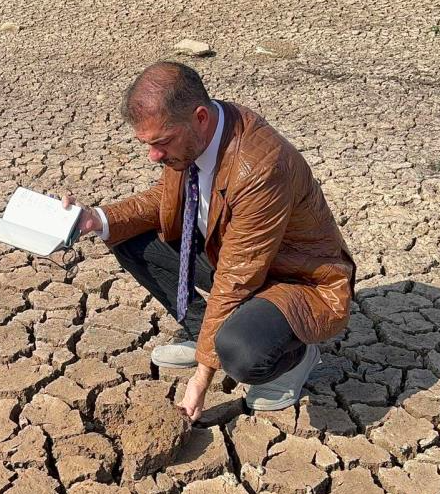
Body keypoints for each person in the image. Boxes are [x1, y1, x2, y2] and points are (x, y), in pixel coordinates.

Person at [63, 61, 355, 422]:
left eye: (161, 143)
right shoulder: (194, 138)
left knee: (241, 354)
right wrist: (98, 217)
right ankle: (204, 335)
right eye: (147, 144)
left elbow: (237, 277)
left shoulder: (260, 166)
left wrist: (201, 379)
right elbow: (165, 200)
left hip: (295, 281)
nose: (154, 156)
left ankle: (295, 359)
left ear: (200, 117)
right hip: (234, 255)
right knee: (126, 235)